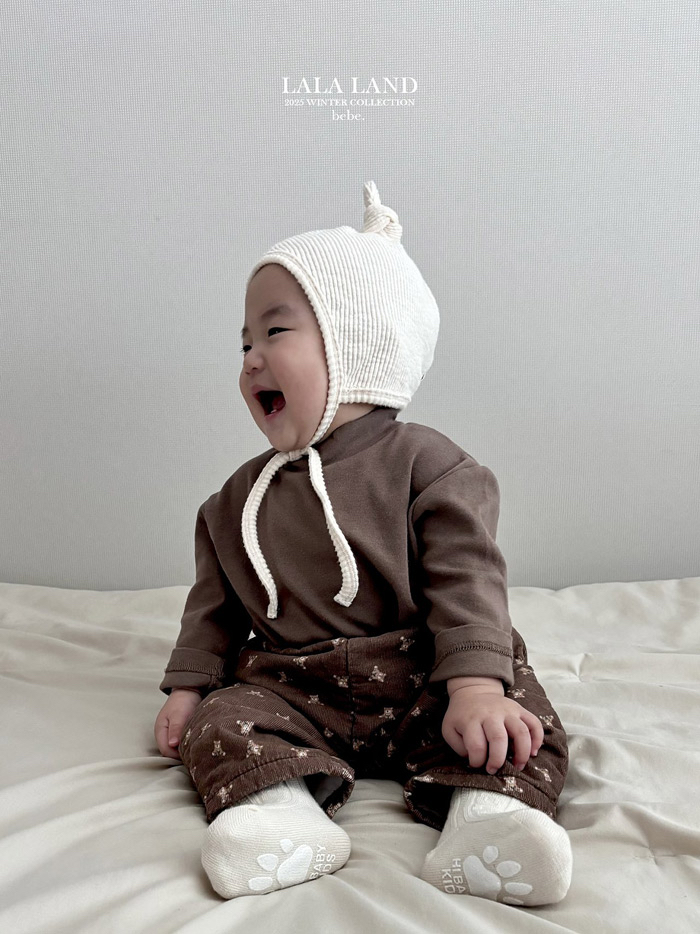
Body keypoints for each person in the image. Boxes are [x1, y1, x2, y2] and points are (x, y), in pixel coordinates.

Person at [154, 181, 573, 905]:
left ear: (357, 342)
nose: (250, 358)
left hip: (425, 675)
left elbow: (467, 579)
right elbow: (212, 608)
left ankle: (492, 820)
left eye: (275, 333)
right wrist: (190, 689)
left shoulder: (428, 464)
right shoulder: (235, 501)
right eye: (245, 342)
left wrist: (476, 686)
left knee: (517, 712)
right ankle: (277, 814)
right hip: (292, 686)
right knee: (225, 720)